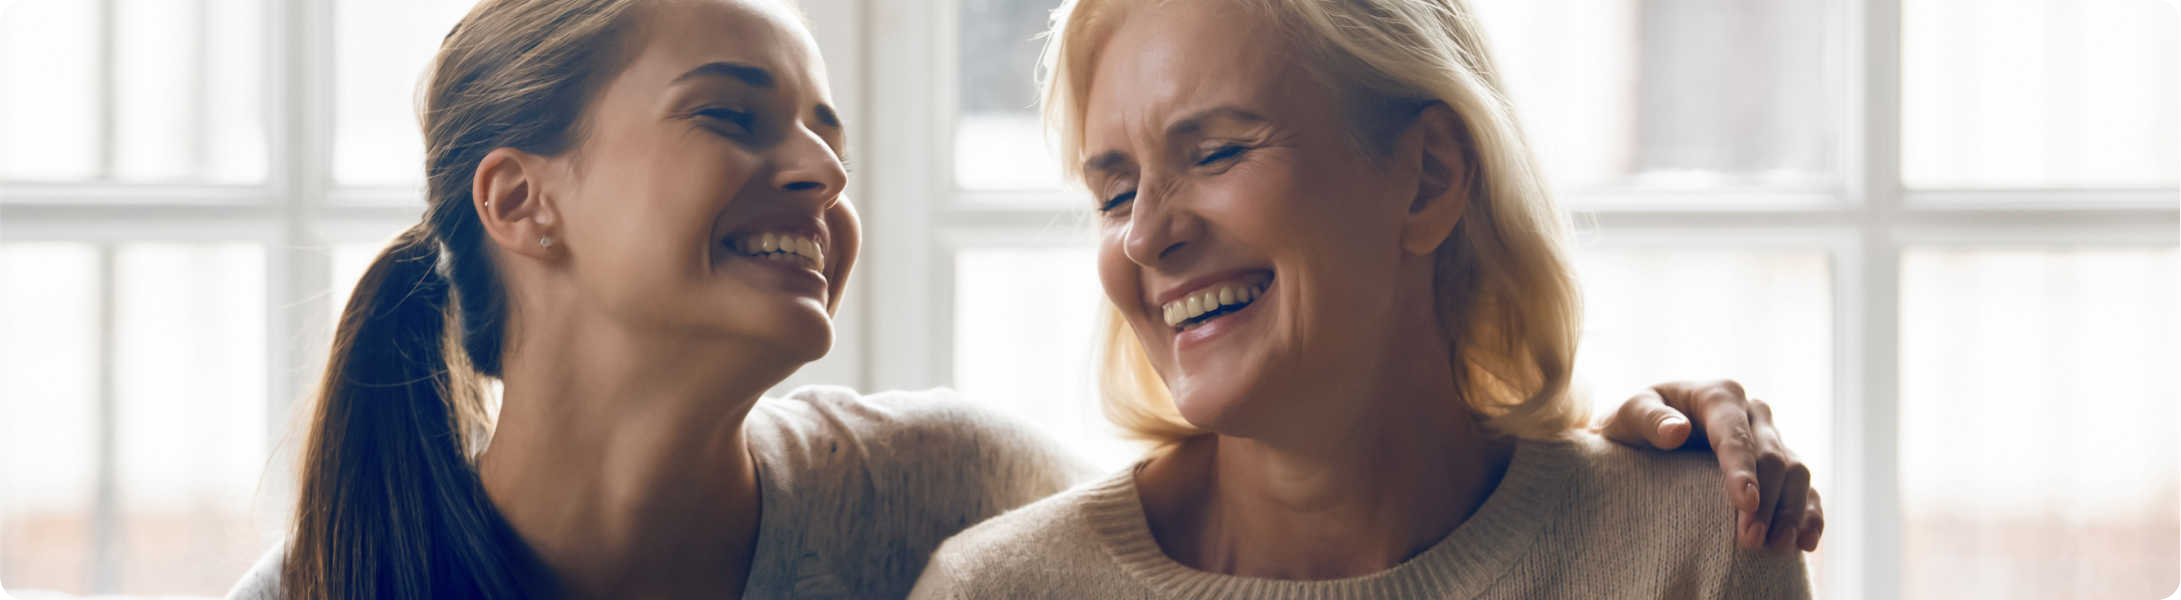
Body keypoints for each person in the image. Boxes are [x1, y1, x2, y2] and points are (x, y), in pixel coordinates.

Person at [229, 0, 1818, 598]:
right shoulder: (333, 577)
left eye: (828, 137)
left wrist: (1613, 463)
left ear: (1428, 178)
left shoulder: (950, 501)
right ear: (525, 200)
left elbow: (1296, 504)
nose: (819, 178)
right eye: (731, 115)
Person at [910, 0, 1815, 598]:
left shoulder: (1695, 548)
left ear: (1427, 177)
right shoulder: (995, 589)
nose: (1145, 236)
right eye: (1113, 193)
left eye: (1218, 152)